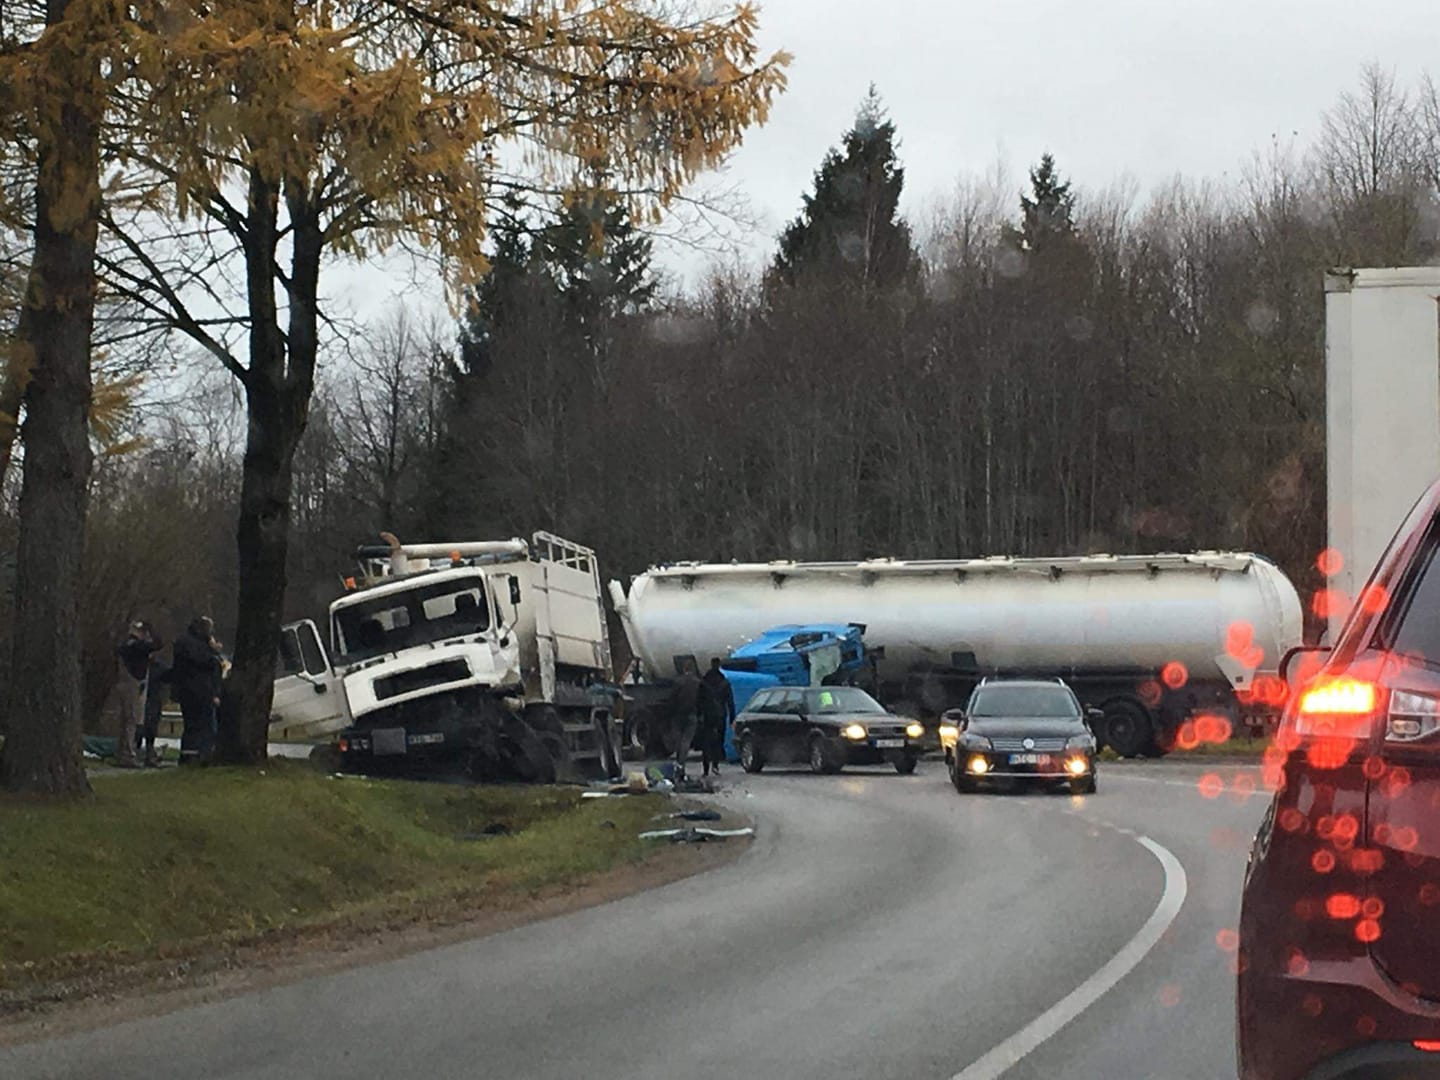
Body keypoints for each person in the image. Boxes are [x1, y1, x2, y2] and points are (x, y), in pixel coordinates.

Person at [171, 615, 223, 765]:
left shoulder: (184, 642)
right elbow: (206, 663)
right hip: (200, 691)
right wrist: (214, 653)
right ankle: (202, 756)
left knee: (191, 726)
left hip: (186, 691)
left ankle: (188, 755)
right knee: (207, 726)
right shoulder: (196, 645)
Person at [110, 622, 160, 768]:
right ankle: (128, 755)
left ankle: (122, 753)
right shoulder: (137, 646)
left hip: (125, 682)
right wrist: (152, 629)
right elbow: (157, 644)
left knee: (125, 719)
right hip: (131, 683)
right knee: (131, 719)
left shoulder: (126, 645)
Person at [698, 657, 735, 778]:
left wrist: (699, 714)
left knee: (706, 742)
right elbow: (730, 701)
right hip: (720, 715)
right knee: (718, 741)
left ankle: (705, 769)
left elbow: (699, 700)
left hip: (707, 715)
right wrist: (732, 717)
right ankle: (716, 765)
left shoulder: (704, 681)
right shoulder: (724, 682)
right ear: (719, 666)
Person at [670, 660, 701, 778]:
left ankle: (679, 764)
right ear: (693, 669)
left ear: (684, 669)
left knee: (678, 740)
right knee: (686, 741)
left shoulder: (678, 682)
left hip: (678, 714)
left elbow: (672, 698)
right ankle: (681, 764)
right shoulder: (698, 683)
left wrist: (671, 712)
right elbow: (701, 699)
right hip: (692, 714)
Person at [140, 649, 171, 767]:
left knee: (151, 726)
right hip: (142, 698)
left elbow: (168, 676)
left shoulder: (158, 667)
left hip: (153, 698)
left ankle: (149, 751)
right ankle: (137, 750)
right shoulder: (139, 665)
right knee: (138, 725)